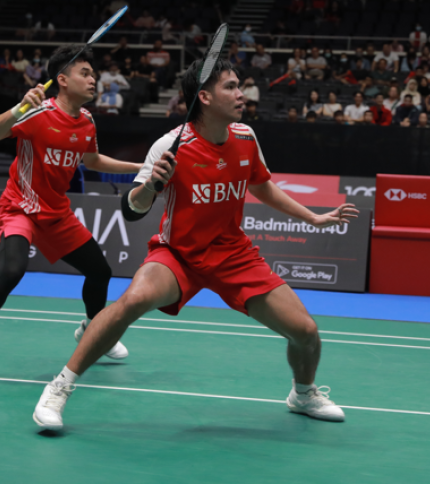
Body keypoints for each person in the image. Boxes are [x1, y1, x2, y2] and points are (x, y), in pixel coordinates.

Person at [31, 58, 358, 430]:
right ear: (204, 96)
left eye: (239, 86)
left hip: (234, 254)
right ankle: (59, 387)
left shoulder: (246, 138)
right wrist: (152, 185)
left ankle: (303, 393)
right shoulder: (170, 145)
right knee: (133, 300)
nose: (241, 94)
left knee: (306, 332)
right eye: (231, 87)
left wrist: (313, 217)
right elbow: (131, 209)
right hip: (180, 254)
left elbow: (261, 184)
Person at [0, 46, 143, 386]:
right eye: (85, 73)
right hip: (20, 206)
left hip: (56, 214)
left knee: (100, 271)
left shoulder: (87, 122)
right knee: (11, 271)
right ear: (62, 80)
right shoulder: (36, 113)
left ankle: (92, 329)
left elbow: (93, 161)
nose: (93, 78)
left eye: (93, 73)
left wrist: (141, 168)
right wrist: (20, 106)